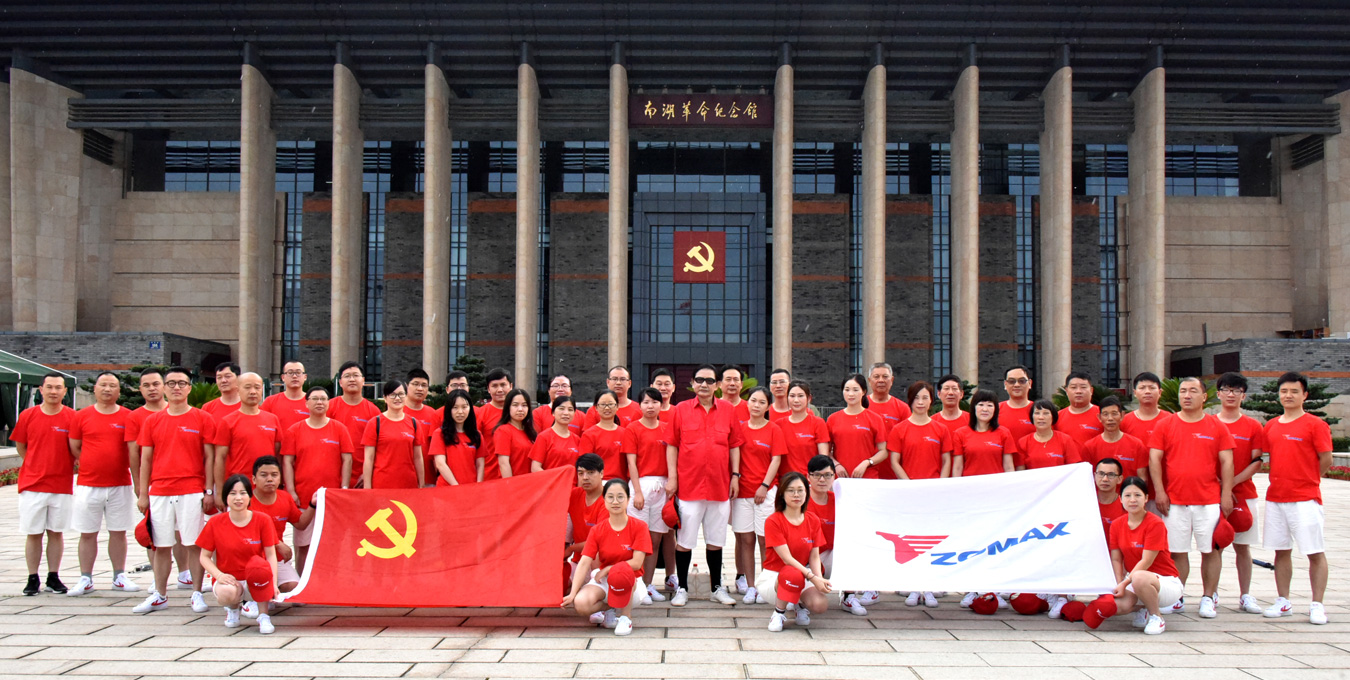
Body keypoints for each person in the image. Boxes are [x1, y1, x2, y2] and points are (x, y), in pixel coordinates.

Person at [1148, 376, 1234, 618]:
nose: (1187, 395)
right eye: (1183, 391)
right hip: (1175, 502)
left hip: (1208, 501)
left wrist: (1226, 494)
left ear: (1204, 397)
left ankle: (1208, 597)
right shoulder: (1166, 424)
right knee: (1177, 552)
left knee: (1211, 551)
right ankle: (1177, 597)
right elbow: (1154, 459)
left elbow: (1227, 462)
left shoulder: (1217, 426)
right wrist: (1160, 491)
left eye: (1193, 391)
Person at [133, 366, 217, 615]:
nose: (176, 387)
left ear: (189, 388)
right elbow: (145, 459)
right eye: (171, 383)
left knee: (193, 544)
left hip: (191, 490)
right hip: (160, 491)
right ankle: (160, 594)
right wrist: (143, 494)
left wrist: (209, 491)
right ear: (164, 388)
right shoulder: (152, 421)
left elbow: (209, 458)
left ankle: (196, 593)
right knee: (161, 545)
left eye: (182, 383)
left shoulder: (202, 418)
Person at [665, 364, 744, 607]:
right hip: (689, 485)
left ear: (717, 385)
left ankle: (716, 587)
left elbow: (735, 445)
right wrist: (672, 478)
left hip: (720, 485)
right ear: (692, 383)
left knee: (716, 539)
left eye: (710, 381)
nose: (704, 385)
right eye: (699, 380)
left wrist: (735, 475)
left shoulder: (728, 410)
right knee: (684, 540)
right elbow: (672, 445)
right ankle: (682, 588)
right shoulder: (681, 409)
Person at [1261, 371, 1333, 624]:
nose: (1288, 395)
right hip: (1276, 498)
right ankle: (1283, 601)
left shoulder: (1315, 425)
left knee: (1314, 551)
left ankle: (1317, 604)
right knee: (1281, 551)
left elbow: (1326, 459)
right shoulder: (1271, 426)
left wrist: (1309, 480)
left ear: (1305, 395)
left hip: (1305, 499)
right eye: (1284, 391)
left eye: (1294, 391)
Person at [67, 371, 140, 596]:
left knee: (118, 531)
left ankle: (119, 576)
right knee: (87, 532)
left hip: (120, 484)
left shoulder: (128, 416)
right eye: (103, 385)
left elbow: (133, 450)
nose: (107, 389)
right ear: (95, 388)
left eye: (112, 385)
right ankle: (85, 579)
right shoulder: (81, 416)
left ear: (119, 390)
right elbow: (75, 446)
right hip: (89, 484)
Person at [1082, 476, 1184, 635]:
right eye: (1127, 495)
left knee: (1139, 577)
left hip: (1165, 583)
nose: (1132, 500)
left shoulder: (1155, 523)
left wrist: (1125, 583)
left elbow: (1146, 561)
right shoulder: (1117, 524)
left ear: (1146, 498)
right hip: (1136, 580)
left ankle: (1156, 616)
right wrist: (1118, 584)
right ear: (1121, 499)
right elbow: (1116, 558)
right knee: (1116, 607)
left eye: (1137, 495)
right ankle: (1142, 608)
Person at [124, 367, 193, 591]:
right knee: (156, 534)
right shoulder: (138, 417)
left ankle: (185, 573)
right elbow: (136, 455)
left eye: (155, 384)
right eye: (147, 385)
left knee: (183, 532)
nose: (152, 389)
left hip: (185, 485)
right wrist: (140, 488)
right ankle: (158, 579)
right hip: (156, 486)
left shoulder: (188, 413)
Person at [888, 380, 952, 609]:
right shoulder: (900, 429)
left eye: (925, 397)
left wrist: (940, 486)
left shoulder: (940, 429)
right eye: (917, 398)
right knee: (911, 538)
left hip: (933, 493)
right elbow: (894, 461)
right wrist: (909, 486)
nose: (921, 402)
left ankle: (930, 586)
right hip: (909, 493)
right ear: (910, 401)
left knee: (932, 539)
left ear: (931, 400)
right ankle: (914, 586)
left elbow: (947, 460)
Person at [13, 372, 76, 596]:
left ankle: (53, 576)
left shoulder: (72, 417)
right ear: (41, 390)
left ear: (65, 391)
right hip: (32, 485)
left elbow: (76, 448)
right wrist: (35, 464)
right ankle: (32, 577)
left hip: (61, 485)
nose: (53, 391)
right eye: (49, 387)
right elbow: (21, 446)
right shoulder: (28, 415)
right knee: (33, 533)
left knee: (56, 533)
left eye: (58, 387)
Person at [562, 479, 651, 636]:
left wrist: (609, 569)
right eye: (610, 497)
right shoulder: (598, 530)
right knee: (581, 604)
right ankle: (610, 608)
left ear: (628, 500)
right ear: (604, 500)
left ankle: (626, 617)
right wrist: (573, 593)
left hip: (632, 583)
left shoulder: (639, 526)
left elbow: (637, 563)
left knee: (621, 573)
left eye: (620, 497)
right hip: (605, 581)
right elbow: (584, 562)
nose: (615, 501)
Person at [195, 474, 280, 634]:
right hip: (230, 579)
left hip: (255, 577)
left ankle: (263, 616)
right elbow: (204, 557)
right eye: (233, 493)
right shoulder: (215, 523)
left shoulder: (263, 520)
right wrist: (219, 575)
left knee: (260, 570)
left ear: (250, 496)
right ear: (226, 497)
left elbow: (271, 555)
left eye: (243, 493)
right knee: (227, 593)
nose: (238, 498)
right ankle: (233, 609)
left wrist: (274, 583)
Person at [281, 386, 354, 573]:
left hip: (332, 499)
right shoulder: (294, 430)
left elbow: (347, 459)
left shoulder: (339, 429)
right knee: (303, 545)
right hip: (304, 498)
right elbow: (287, 462)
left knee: (333, 544)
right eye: (315, 399)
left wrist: (344, 488)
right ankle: (303, 582)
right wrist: (291, 491)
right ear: (306, 403)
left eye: (323, 399)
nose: (319, 402)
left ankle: (331, 580)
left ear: (329, 403)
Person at [1214, 371, 1266, 614]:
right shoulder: (1210, 423)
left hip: (1244, 494)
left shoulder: (1253, 426)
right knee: (1215, 546)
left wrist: (1231, 484)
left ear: (1243, 396)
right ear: (1218, 394)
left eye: (1236, 390)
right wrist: (1221, 487)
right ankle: (1211, 593)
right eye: (1226, 389)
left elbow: (1257, 461)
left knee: (1243, 547)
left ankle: (1245, 595)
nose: (1231, 394)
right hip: (1213, 495)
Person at [732, 386, 785, 604]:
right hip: (742, 492)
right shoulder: (739, 428)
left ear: (768, 406)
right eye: (753, 400)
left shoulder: (774, 429)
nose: (756, 405)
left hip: (766, 492)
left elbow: (776, 459)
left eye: (762, 402)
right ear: (748, 403)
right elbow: (734, 456)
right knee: (745, 540)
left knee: (765, 540)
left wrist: (764, 485)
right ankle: (751, 586)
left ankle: (765, 585)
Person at [760, 472, 832, 632]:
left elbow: (814, 556)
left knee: (820, 605)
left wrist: (819, 580)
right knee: (792, 573)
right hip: (775, 578)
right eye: (791, 490)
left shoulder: (812, 519)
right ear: (782, 494)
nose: (796, 495)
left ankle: (799, 604)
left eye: (800, 490)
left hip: (802, 574)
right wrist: (812, 577)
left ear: (807, 493)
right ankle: (779, 612)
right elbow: (787, 559)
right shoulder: (773, 521)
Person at [625, 388, 674, 603]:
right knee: (638, 539)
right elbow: (631, 463)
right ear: (640, 405)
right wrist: (637, 492)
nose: (650, 406)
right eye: (646, 402)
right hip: (641, 486)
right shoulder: (633, 428)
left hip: (663, 487)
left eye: (654, 402)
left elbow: (673, 458)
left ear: (660, 405)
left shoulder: (667, 429)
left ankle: (648, 584)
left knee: (656, 538)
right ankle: (634, 583)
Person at [213, 372, 282, 505]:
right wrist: (220, 492)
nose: (253, 392)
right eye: (247, 387)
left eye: (257, 387)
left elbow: (277, 455)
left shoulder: (272, 419)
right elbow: (220, 458)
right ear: (238, 390)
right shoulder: (228, 421)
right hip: (239, 488)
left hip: (267, 488)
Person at [248, 456, 311, 600]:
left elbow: (301, 524)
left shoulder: (285, 497)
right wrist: (277, 543)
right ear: (254, 479)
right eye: (264, 475)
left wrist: (313, 505)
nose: (270, 479)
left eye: (274, 475)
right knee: (255, 591)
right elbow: (249, 532)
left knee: (295, 592)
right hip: (252, 558)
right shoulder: (247, 501)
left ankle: (272, 587)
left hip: (277, 560)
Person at [361, 380, 426, 489]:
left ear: (406, 396)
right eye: (392, 395)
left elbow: (418, 457)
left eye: (401, 394)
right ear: (385, 398)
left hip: (408, 484)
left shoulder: (414, 423)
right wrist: (367, 487)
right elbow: (369, 459)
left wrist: (422, 483)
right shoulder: (375, 423)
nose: (397, 398)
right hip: (382, 484)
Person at [326, 361, 381, 488]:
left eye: (356, 375)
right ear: (340, 382)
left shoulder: (373, 411)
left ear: (363, 380)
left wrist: (367, 473)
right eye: (347, 376)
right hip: (333, 475)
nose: (352, 379)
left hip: (362, 477)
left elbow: (379, 447)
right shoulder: (329, 407)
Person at [827, 374, 886, 480]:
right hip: (841, 478)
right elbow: (825, 451)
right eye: (847, 390)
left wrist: (867, 462)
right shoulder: (833, 419)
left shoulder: (875, 418)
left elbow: (883, 451)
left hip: (867, 477)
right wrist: (836, 465)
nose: (851, 394)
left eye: (855, 390)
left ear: (863, 392)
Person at [1081, 396, 1149, 482]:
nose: (1110, 418)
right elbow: (1087, 478)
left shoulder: (1136, 445)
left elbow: (1142, 479)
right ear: (1099, 417)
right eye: (1105, 414)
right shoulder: (1090, 446)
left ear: (1122, 415)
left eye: (1114, 413)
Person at [951, 389, 1017, 477]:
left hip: (997, 483)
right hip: (970, 483)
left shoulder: (1004, 433)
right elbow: (958, 467)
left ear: (995, 409)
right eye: (981, 405)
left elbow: (1008, 467)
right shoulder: (960, 433)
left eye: (990, 405)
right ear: (974, 407)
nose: (985, 409)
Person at [565, 454, 608, 588]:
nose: (585, 477)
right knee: (558, 588)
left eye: (590, 472)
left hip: (603, 563)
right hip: (579, 561)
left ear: (601, 474)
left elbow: (597, 541)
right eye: (581, 473)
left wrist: (570, 548)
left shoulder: (609, 500)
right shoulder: (574, 495)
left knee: (596, 550)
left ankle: (599, 588)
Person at [777, 380, 830, 477]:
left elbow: (823, 458)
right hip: (786, 481)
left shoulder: (818, 423)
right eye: (792, 396)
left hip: (810, 480)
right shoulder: (778, 425)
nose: (796, 400)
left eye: (800, 396)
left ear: (809, 398)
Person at [429, 389, 482, 486]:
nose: (460, 412)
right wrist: (456, 486)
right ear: (448, 410)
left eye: (464, 407)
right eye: (455, 407)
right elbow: (440, 464)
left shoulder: (476, 435)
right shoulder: (439, 434)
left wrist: (478, 486)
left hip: (472, 488)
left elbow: (480, 464)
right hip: (447, 488)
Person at [1018, 399, 1083, 470]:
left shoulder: (1065, 440)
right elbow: (1020, 472)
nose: (1041, 417)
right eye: (1037, 413)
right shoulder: (1023, 442)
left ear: (1053, 417)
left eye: (1046, 413)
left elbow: (1074, 469)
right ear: (1032, 417)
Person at [582, 390, 630, 481]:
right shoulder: (589, 434)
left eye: (611, 404)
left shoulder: (625, 433)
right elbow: (585, 465)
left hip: (622, 483)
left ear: (617, 406)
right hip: (599, 483)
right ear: (596, 407)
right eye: (603, 404)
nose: (607, 408)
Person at [477, 368, 514, 480]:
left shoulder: (520, 413)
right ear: (488, 389)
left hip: (517, 475)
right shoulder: (481, 414)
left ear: (511, 386)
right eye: (494, 386)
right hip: (489, 476)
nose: (499, 390)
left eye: (503, 385)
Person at [531, 395, 583, 473]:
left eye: (570, 409)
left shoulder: (577, 439)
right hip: (551, 480)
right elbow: (535, 468)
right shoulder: (544, 437)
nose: (566, 413)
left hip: (572, 481)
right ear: (553, 412)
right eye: (561, 409)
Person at [405, 369, 444, 470]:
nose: (420, 389)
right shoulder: (397, 412)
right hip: (404, 472)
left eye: (424, 385)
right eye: (415, 384)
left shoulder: (433, 414)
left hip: (429, 473)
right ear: (406, 385)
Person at [494, 388, 537, 479]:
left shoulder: (530, 432)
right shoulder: (503, 431)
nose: (520, 409)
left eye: (524, 405)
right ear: (508, 407)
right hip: (514, 484)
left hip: (530, 482)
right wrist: (511, 485)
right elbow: (504, 464)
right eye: (515, 405)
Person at [1121, 372, 1173, 445]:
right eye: (1142, 388)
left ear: (1160, 392)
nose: (1147, 392)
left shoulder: (1170, 419)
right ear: (1135, 393)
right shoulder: (1124, 421)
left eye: (1152, 388)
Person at [261, 361, 310, 432]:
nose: (294, 376)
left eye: (298, 372)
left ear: (305, 377)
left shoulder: (313, 402)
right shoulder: (270, 402)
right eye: (290, 373)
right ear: (283, 377)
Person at [866, 363, 912, 438]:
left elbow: (908, 436)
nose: (881, 380)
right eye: (876, 377)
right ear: (869, 381)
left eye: (885, 377)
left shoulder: (902, 408)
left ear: (892, 380)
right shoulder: (861, 405)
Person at [1056, 372, 1102, 447]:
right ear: (1067, 391)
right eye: (1073, 387)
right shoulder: (1057, 417)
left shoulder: (1102, 415)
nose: (1078, 391)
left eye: (1083, 387)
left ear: (1091, 390)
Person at [1000, 365, 1036, 443]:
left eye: (1022, 381)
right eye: (1011, 381)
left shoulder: (1040, 411)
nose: (1017, 385)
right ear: (1005, 384)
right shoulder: (995, 411)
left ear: (1030, 383)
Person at [1095, 457, 1126, 537]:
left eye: (1111, 475)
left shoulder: (1126, 506)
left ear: (1119, 479)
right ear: (1095, 476)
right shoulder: (1086, 503)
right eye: (1101, 474)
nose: (1105, 479)